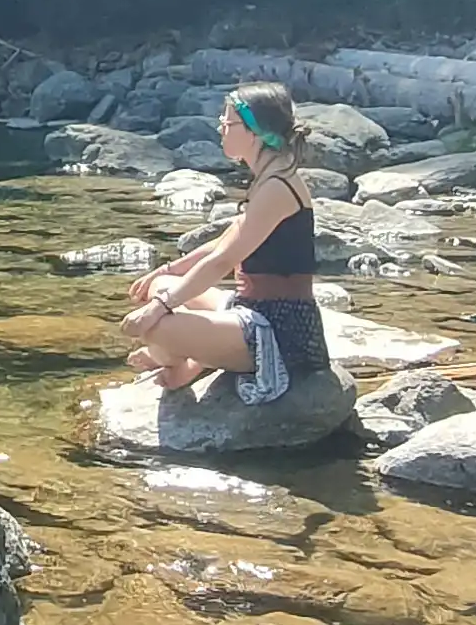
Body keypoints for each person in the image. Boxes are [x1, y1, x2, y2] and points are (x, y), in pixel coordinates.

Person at [118, 81, 329, 399]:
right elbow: (222, 242)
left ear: (254, 131)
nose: (220, 127)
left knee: (157, 325)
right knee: (161, 286)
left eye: (228, 123)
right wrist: (168, 271)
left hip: (279, 330)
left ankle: (184, 362)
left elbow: (223, 260)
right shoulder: (269, 176)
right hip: (249, 308)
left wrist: (160, 307)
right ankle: (188, 358)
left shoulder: (278, 187)